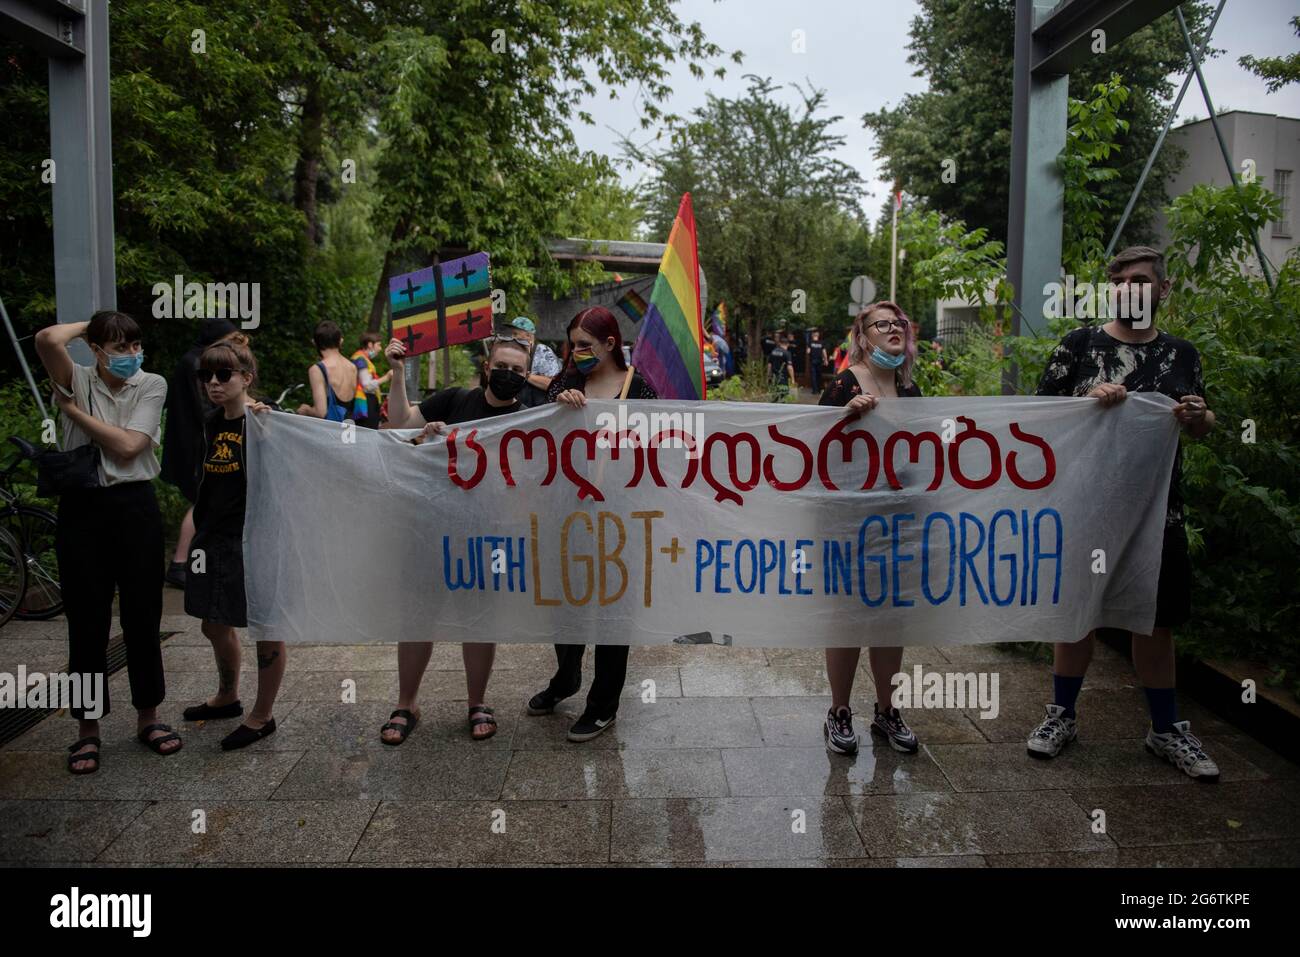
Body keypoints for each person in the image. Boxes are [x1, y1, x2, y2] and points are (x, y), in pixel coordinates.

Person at [1025, 245, 1219, 781]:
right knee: (1078, 612)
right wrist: (1087, 396)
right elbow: (1039, 416)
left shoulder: (1182, 355)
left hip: (1160, 514)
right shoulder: (1080, 345)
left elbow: (1201, 426)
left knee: (1154, 621)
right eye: (1118, 280)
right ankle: (1061, 717)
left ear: (1163, 289)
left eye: (1139, 279)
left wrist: (1200, 416)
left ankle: (1165, 730)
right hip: (1085, 506)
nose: (1128, 287)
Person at [34, 311, 182, 774]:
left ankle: (149, 717)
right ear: (97, 351)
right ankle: (87, 729)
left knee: (143, 615)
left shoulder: (151, 384)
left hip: (135, 507)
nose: (132, 355)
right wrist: (90, 326)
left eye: (136, 346)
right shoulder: (75, 375)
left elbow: (129, 447)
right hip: (82, 510)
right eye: (120, 348)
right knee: (86, 619)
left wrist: (73, 413)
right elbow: (44, 338)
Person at [377, 333, 533, 744]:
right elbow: (399, 425)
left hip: (488, 534)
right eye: (501, 367)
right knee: (418, 617)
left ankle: (477, 702)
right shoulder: (453, 401)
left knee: (479, 620)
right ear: (486, 367)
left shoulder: (534, 418)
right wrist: (397, 375)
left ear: (528, 375)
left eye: (517, 370)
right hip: (430, 528)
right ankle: (406, 703)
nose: (508, 375)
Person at [526, 306, 657, 742]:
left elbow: (658, 450)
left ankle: (603, 706)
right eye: (573, 345)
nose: (577, 352)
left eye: (586, 345)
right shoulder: (566, 383)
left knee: (613, 610)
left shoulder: (638, 388)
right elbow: (537, 435)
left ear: (609, 344)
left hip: (621, 515)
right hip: (568, 511)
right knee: (568, 601)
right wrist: (561, 410)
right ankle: (566, 678)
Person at [817, 302, 922, 756]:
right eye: (883, 324)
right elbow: (811, 444)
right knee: (847, 618)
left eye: (899, 324)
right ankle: (839, 712)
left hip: (900, 521)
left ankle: (887, 711)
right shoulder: (844, 383)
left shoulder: (910, 390)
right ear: (863, 336)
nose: (894, 329)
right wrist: (843, 418)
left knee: (890, 620)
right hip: (849, 522)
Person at [180, 336, 284, 749]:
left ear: (246, 378)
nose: (213, 383)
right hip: (213, 537)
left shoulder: (265, 422)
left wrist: (268, 420)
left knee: (266, 626)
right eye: (206, 375)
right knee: (212, 622)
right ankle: (227, 697)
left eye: (224, 374)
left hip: (255, 538)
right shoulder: (210, 423)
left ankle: (263, 715)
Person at [160, 318, 238, 588]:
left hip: (190, 441)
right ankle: (181, 563)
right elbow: (206, 407)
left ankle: (188, 562)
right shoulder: (199, 364)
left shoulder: (194, 360)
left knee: (201, 501)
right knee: (200, 502)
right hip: (196, 444)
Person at [297, 320, 357, 421]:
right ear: (340, 341)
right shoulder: (352, 367)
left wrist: (306, 410)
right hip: (349, 429)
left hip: (330, 431)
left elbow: (321, 412)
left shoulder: (317, 369)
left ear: (314, 343)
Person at [350, 331, 391, 429]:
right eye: (379, 345)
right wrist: (387, 377)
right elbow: (367, 386)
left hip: (367, 403)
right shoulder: (360, 359)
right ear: (370, 344)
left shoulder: (364, 359)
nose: (380, 349)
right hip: (365, 404)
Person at [808, 330, 827, 394]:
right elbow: (824, 352)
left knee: (813, 376)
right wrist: (826, 360)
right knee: (819, 375)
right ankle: (819, 389)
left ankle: (814, 390)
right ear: (818, 335)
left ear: (813, 335)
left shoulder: (810, 342)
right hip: (820, 361)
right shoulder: (821, 342)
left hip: (813, 361)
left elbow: (808, 352)